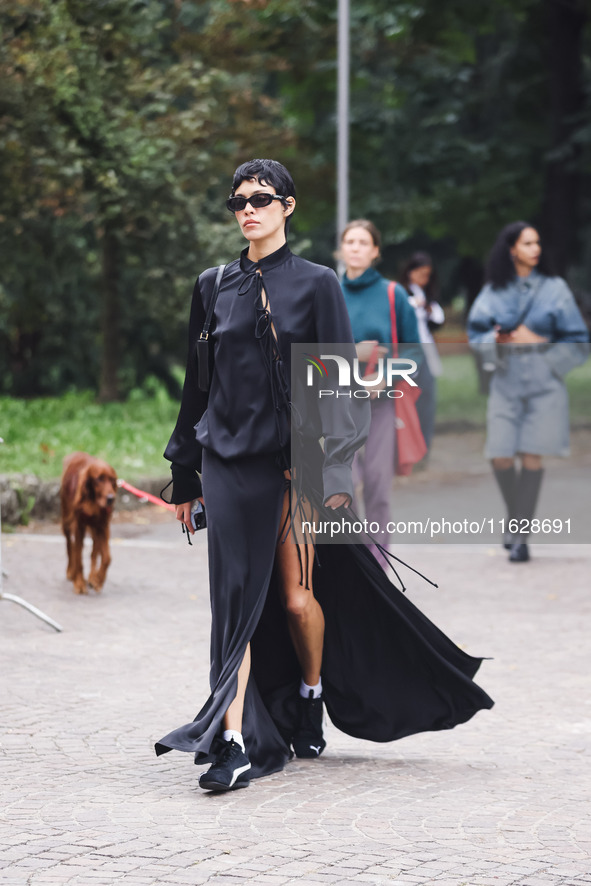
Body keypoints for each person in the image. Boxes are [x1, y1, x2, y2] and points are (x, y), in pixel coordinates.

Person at [155, 160, 494, 792]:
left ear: (287, 206)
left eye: (260, 199)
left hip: (291, 470)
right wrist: (187, 470)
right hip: (228, 464)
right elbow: (196, 382)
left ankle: (310, 693)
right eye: (237, 201)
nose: (247, 210)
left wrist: (328, 471)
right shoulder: (213, 285)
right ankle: (231, 742)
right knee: (233, 608)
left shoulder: (317, 285)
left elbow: (337, 385)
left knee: (293, 598)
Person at [467, 221, 588, 563]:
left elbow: (578, 340)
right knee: (501, 454)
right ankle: (515, 515)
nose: (536, 249)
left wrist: (540, 344)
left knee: (532, 455)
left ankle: (520, 536)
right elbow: (476, 336)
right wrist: (497, 341)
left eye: (537, 243)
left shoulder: (555, 288)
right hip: (505, 384)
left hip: (545, 385)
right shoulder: (494, 289)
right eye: (527, 243)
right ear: (511, 250)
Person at [339, 220, 420, 566]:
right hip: (336, 403)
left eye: (363, 242)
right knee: (343, 483)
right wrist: (352, 355)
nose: (355, 247)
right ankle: (355, 559)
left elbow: (414, 353)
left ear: (375, 252)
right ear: (341, 249)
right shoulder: (327, 291)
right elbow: (306, 351)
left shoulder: (392, 294)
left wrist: (382, 379)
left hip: (381, 404)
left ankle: (378, 563)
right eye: (349, 241)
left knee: (376, 483)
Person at [400, 252, 445, 455]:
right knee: (406, 402)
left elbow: (437, 319)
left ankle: (423, 448)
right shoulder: (401, 293)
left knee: (427, 399)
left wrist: (426, 308)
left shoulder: (427, 296)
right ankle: (407, 449)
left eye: (427, 274)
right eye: (419, 273)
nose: (422, 278)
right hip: (406, 353)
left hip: (424, 351)